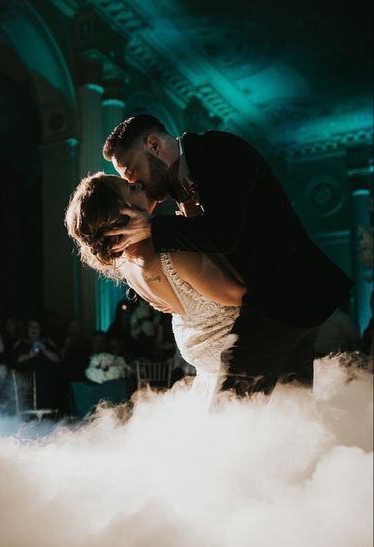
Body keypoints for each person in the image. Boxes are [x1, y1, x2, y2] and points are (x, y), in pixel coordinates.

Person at [100, 114, 354, 395]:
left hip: (284, 297)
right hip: (282, 302)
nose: (134, 181)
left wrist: (154, 228)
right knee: (291, 406)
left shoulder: (218, 150)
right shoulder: (177, 184)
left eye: (131, 170)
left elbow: (222, 235)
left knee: (230, 405)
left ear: (153, 144)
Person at [65, 173, 246, 398]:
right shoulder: (172, 254)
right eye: (131, 188)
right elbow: (239, 294)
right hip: (238, 363)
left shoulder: (126, 264)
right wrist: (197, 230)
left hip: (209, 366)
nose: (138, 183)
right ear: (122, 213)